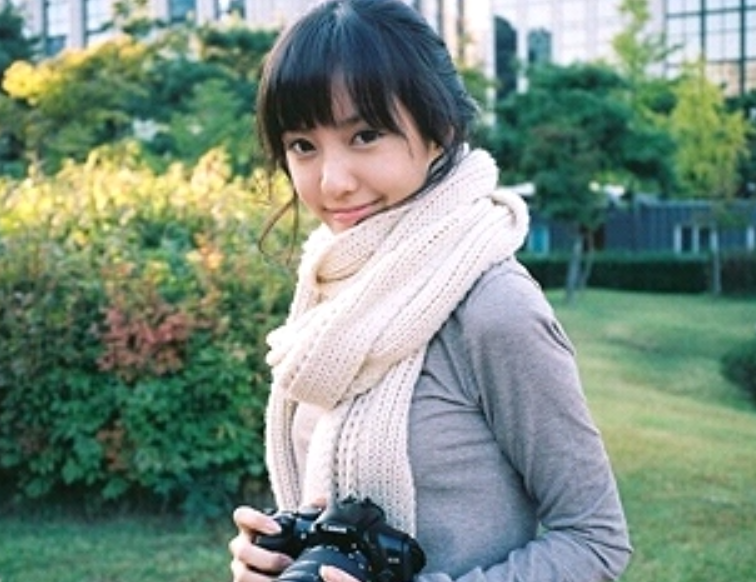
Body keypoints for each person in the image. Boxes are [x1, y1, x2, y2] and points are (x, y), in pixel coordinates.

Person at [229, 1, 632, 581]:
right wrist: (275, 564)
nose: (333, 183)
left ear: (438, 130)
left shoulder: (494, 309)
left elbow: (595, 539)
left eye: (365, 135)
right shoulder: (331, 294)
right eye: (302, 145)